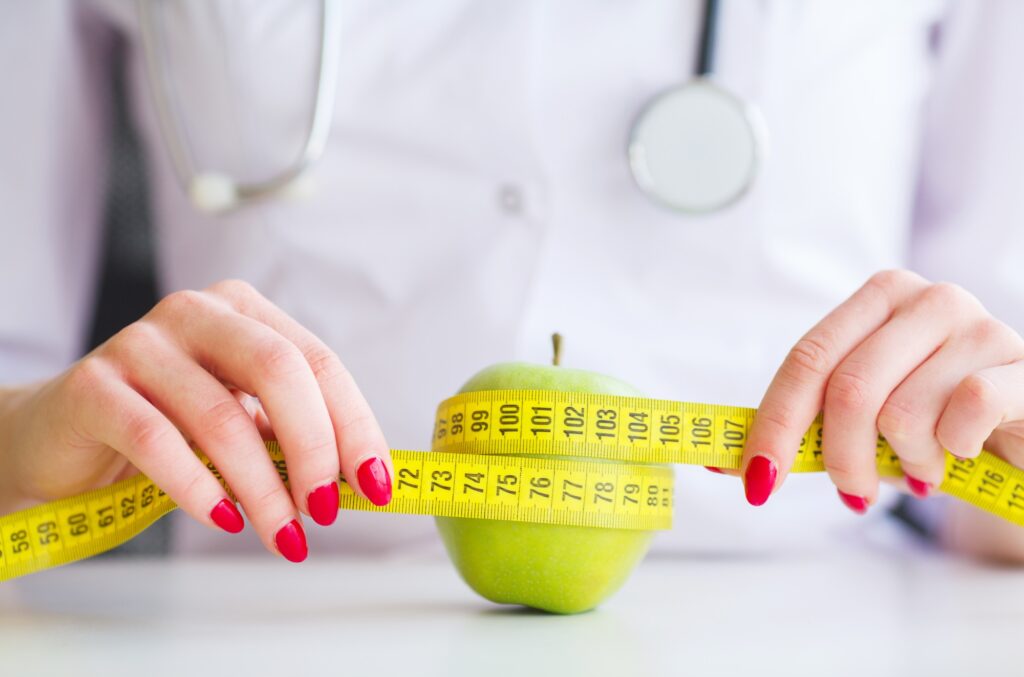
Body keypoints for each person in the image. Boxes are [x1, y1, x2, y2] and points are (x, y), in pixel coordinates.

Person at [2, 0, 1023, 564]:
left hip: (844, 627)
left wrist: (997, 436)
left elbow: (982, 453)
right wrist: (19, 447)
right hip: (254, 618)